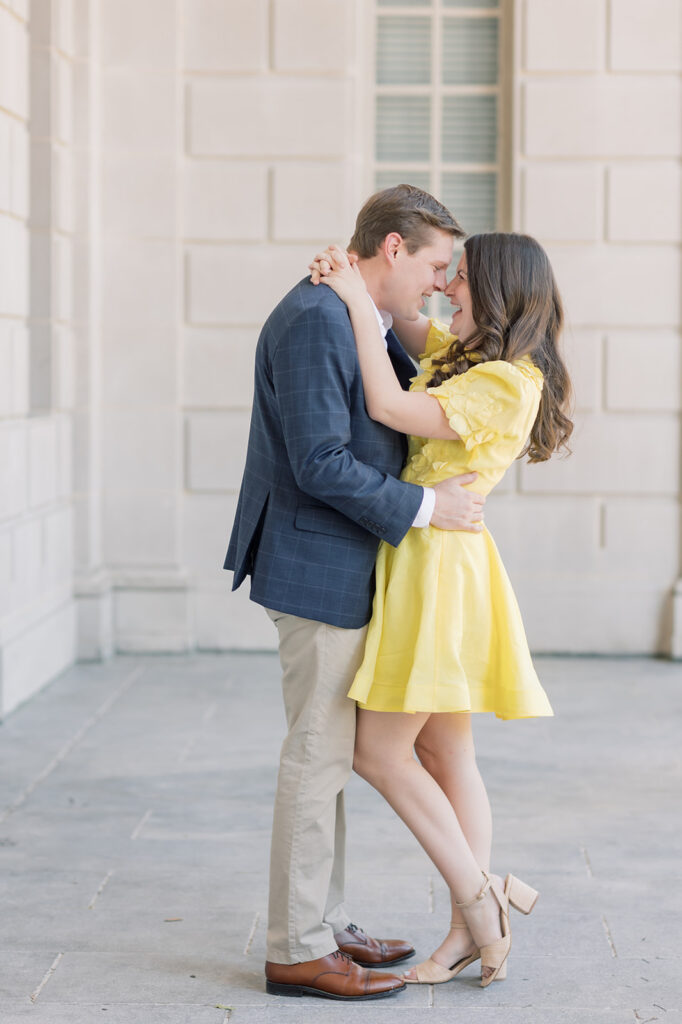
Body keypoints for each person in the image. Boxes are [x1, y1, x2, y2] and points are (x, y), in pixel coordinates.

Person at [224, 185, 487, 1001]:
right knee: (316, 756)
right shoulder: (314, 318)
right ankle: (295, 948)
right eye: (438, 264)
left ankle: (322, 924)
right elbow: (319, 462)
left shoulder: (356, 311)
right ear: (395, 249)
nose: (443, 284)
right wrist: (428, 508)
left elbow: (408, 380)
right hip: (315, 564)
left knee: (328, 756)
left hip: (343, 560)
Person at [310, 232, 572, 987]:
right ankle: (469, 928)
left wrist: (356, 297)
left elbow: (386, 403)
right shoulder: (473, 361)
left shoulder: (503, 382)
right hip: (432, 561)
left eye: (458, 279)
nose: (444, 287)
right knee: (444, 752)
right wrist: (358, 278)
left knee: (377, 752)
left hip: (439, 568)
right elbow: (400, 323)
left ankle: (478, 898)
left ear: (494, 293)